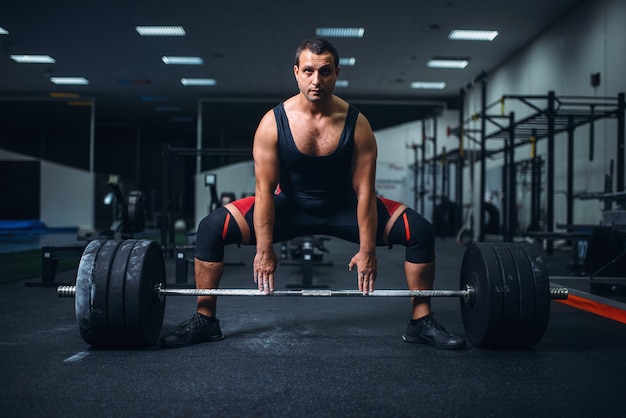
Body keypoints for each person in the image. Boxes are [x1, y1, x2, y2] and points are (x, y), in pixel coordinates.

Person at [161, 38, 466, 350]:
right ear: (296, 72)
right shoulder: (272, 123)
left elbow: (364, 192)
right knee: (211, 227)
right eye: (308, 71)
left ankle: (420, 321)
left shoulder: (357, 125)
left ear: (336, 73)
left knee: (420, 231)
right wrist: (264, 250)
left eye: (324, 71)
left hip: (344, 207)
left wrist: (367, 250)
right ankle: (205, 319)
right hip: (288, 207)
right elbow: (264, 191)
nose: (316, 80)